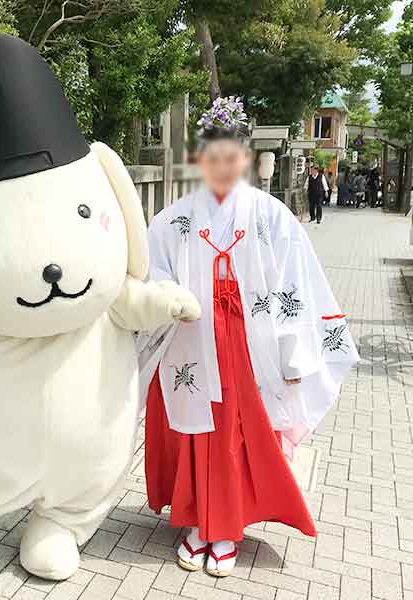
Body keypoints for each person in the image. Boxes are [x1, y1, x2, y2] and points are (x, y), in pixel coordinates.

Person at [138, 97, 358, 578]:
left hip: (248, 344)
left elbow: (294, 286)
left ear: (244, 159)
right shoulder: (173, 218)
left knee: (238, 433)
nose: (221, 166)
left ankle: (226, 528)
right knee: (198, 430)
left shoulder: (270, 214)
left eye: (230, 156)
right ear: (201, 160)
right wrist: (170, 298)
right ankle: (198, 522)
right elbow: (154, 274)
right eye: (211, 156)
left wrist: (294, 357)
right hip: (192, 339)